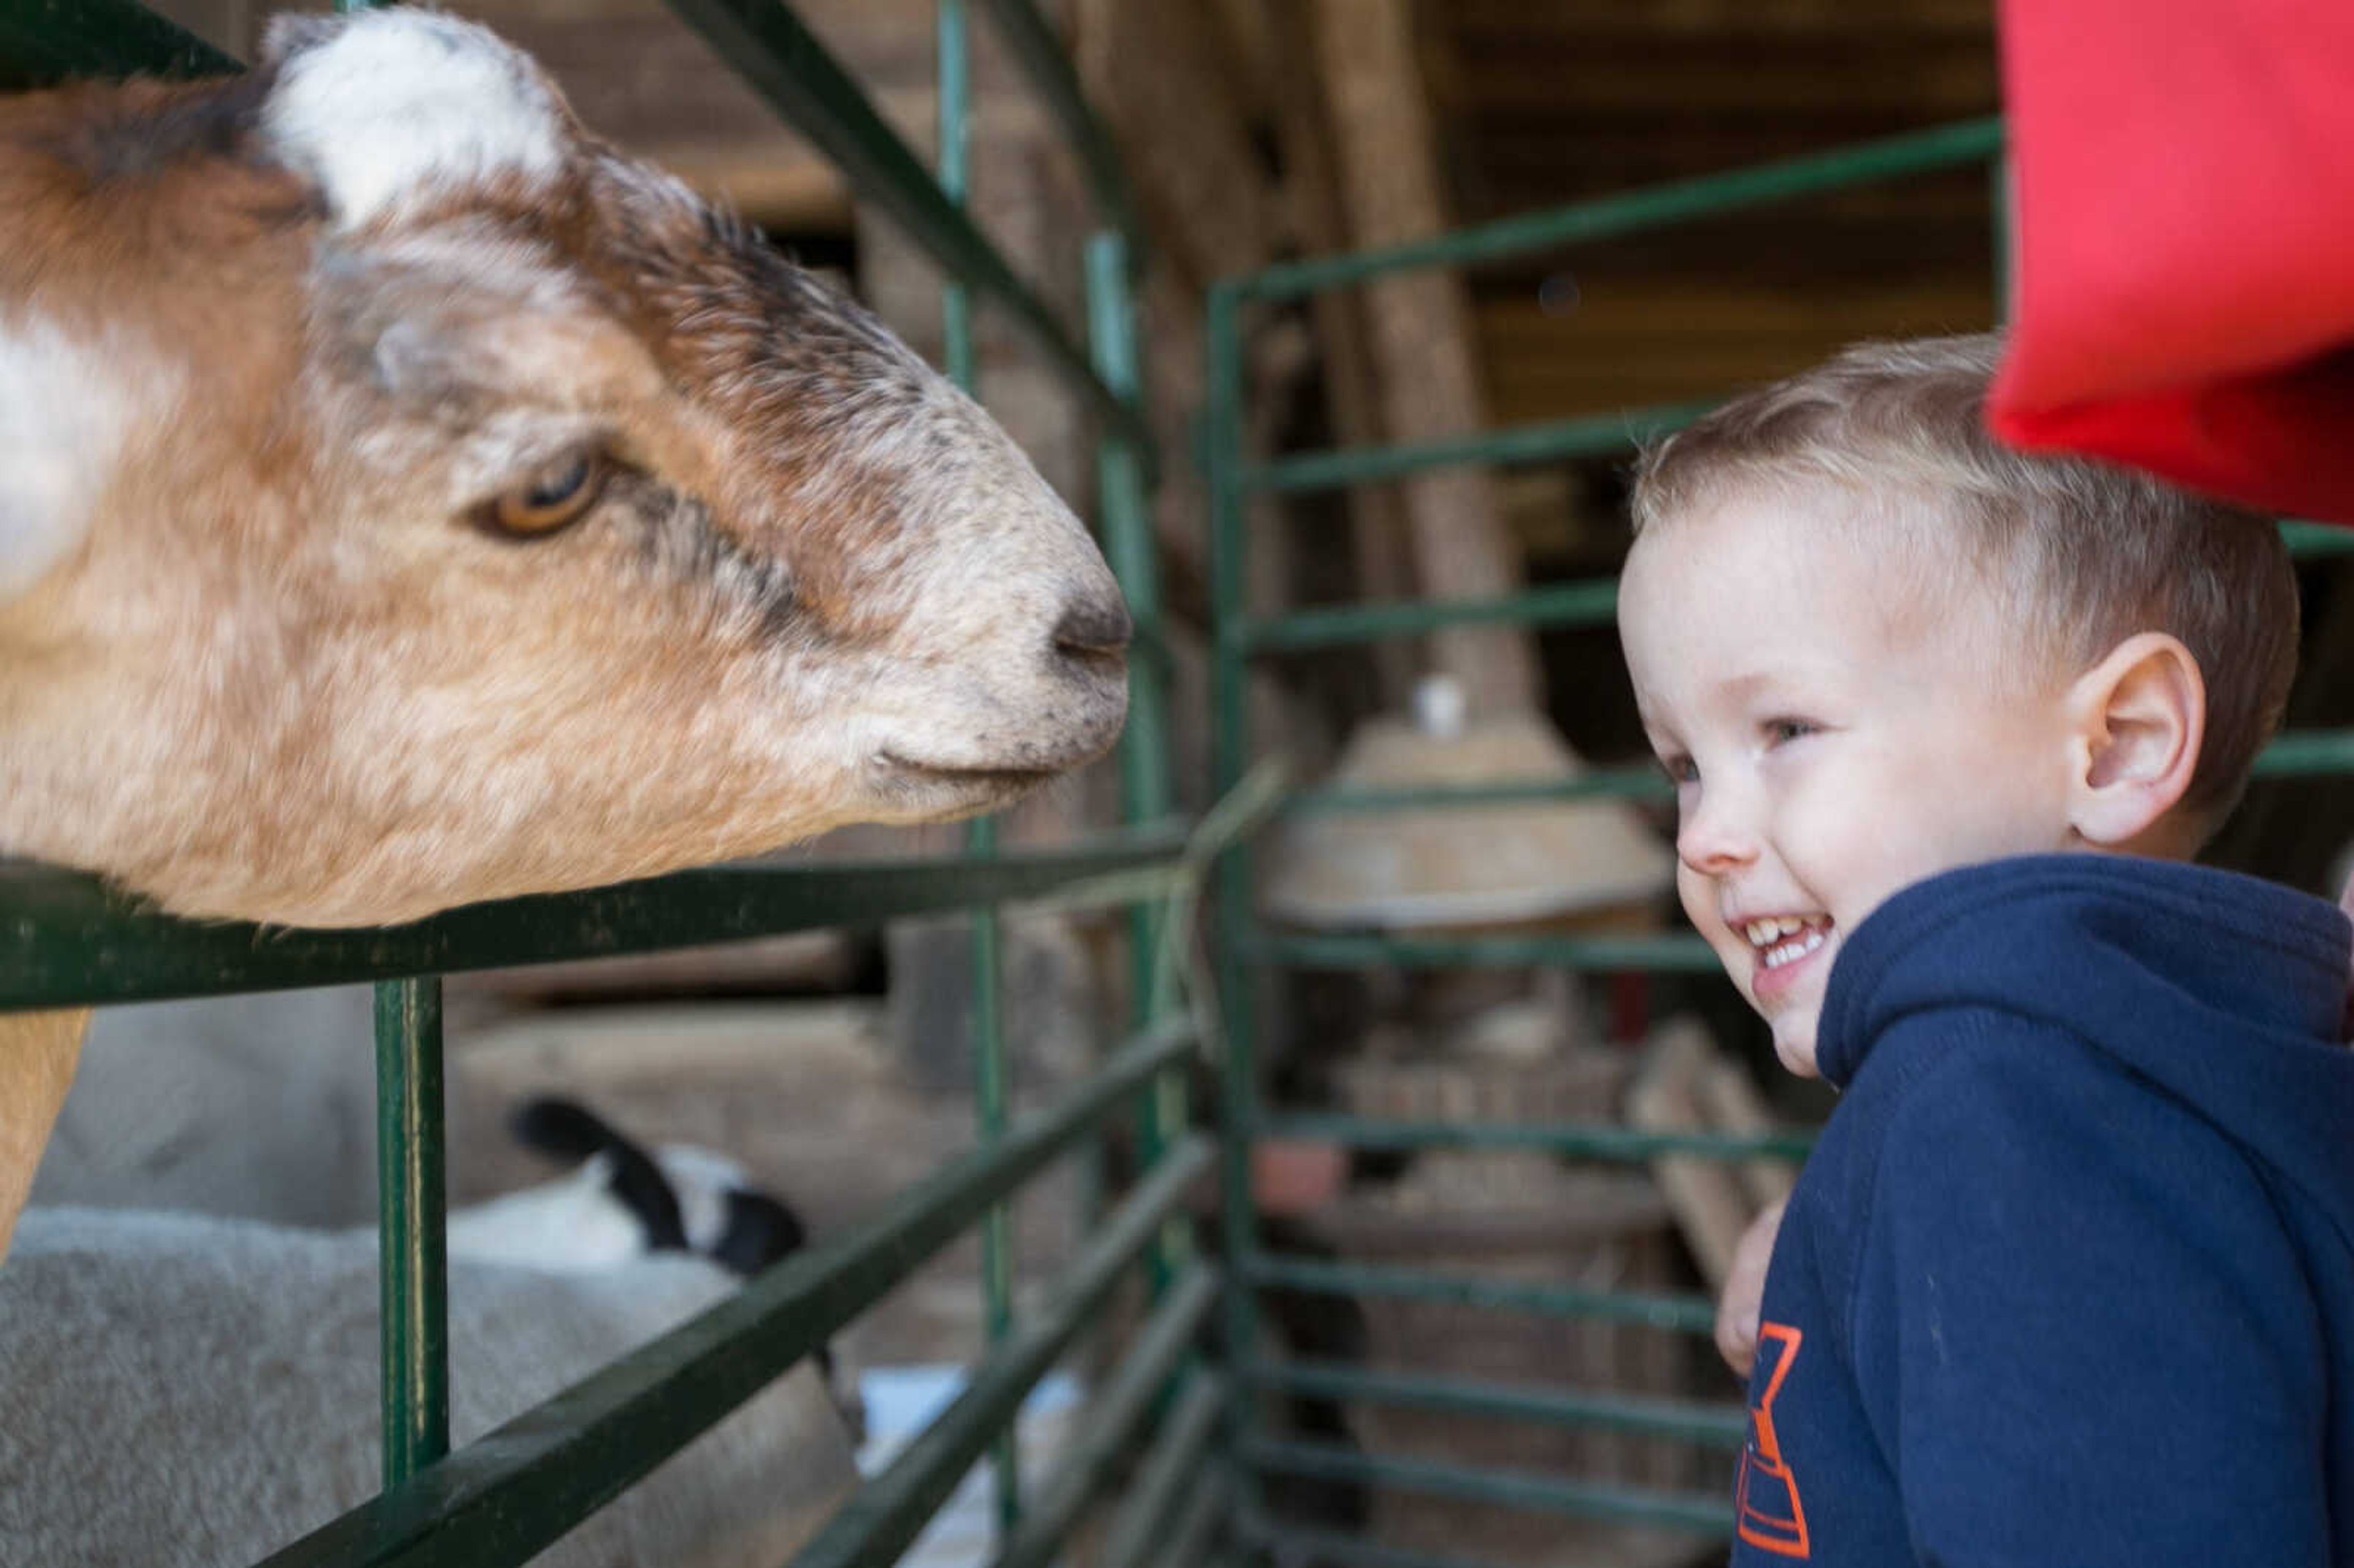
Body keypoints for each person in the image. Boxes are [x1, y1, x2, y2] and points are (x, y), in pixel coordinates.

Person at [1615, 333, 2354, 1564]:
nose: (1706, 840)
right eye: (1685, 767)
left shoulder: (2001, 1122)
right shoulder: (2133, 1090)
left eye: (1787, 727)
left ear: (2118, 745)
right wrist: (1844, 1236)